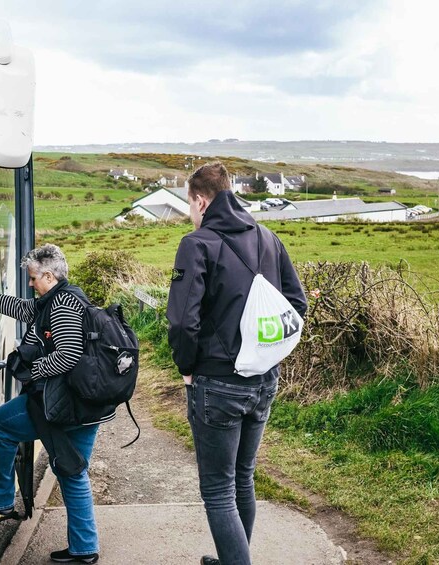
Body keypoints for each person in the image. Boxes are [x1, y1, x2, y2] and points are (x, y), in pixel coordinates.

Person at [167, 163, 307, 565]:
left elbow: (181, 320)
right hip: (264, 379)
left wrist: (186, 366)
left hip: (216, 381)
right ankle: (233, 558)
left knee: (217, 489)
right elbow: (297, 305)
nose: (190, 213)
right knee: (242, 479)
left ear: (200, 199)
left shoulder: (197, 244)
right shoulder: (268, 237)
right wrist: (266, 352)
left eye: (189, 204)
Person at [0, 244, 113, 564]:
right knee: (73, 472)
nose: (30, 284)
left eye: (33, 278)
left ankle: (0, 500)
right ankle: (84, 549)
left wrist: (33, 372)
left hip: (63, 404)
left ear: (48, 275)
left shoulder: (62, 307)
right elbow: (21, 308)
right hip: (86, 405)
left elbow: (69, 354)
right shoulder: (57, 299)